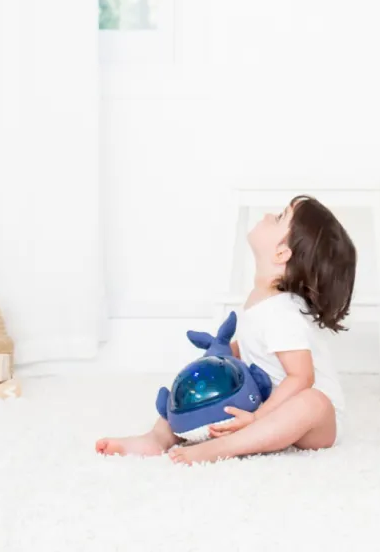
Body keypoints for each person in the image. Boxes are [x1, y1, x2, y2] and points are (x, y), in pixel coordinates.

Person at [96, 195, 357, 465]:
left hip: (319, 423)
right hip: (267, 399)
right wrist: (218, 359)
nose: (268, 215)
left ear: (282, 253)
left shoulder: (283, 312)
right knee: (205, 374)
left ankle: (225, 447)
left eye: (280, 217)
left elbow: (302, 377)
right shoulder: (261, 299)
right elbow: (252, 351)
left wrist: (258, 417)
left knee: (313, 402)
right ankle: (157, 437)